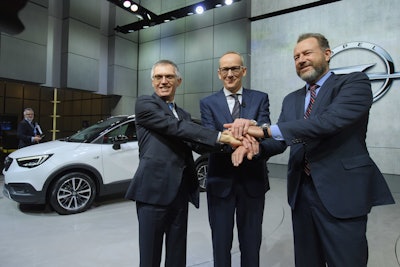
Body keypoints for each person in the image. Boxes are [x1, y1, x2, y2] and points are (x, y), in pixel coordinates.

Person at [227, 33, 395, 267]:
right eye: (296, 56)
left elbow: (327, 123)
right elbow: (281, 140)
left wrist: (263, 130)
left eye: (307, 53)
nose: (301, 59)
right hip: (302, 192)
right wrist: (254, 149)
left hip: (341, 190)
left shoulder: (353, 83)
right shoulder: (292, 99)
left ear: (327, 54)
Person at [124, 59, 241, 267]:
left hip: (179, 191)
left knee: (177, 254)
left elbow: (198, 144)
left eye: (169, 76)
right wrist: (221, 136)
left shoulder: (184, 115)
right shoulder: (145, 104)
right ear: (152, 82)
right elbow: (176, 128)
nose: (163, 81)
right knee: (150, 257)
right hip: (152, 192)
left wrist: (235, 143)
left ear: (178, 81)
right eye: (158, 77)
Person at [199, 51, 283, 267]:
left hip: (253, 182)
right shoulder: (208, 103)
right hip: (220, 183)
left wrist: (248, 142)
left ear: (243, 71)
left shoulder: (260, 98)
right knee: (220, 243)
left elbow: (264, 130)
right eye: (225, 69)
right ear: (219, 74)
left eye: (234, 68)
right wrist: (243, 143)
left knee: (251, 243)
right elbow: (211, 137)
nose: (230, 74)